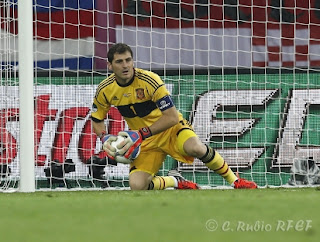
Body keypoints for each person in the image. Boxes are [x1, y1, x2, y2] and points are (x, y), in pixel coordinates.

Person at [91, 43, 257, 190]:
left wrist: (141, 133)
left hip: (170, 130)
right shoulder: (105, 89)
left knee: (196, 148)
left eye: (128, 60)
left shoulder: (150, 81)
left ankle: (234, 181)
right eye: (119, 62)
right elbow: (97, 119)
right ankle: (174, 181)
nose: (125, 65)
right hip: (145, 141)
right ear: (110, 66)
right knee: (137, 186)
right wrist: (104, 137)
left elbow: (171, 118)